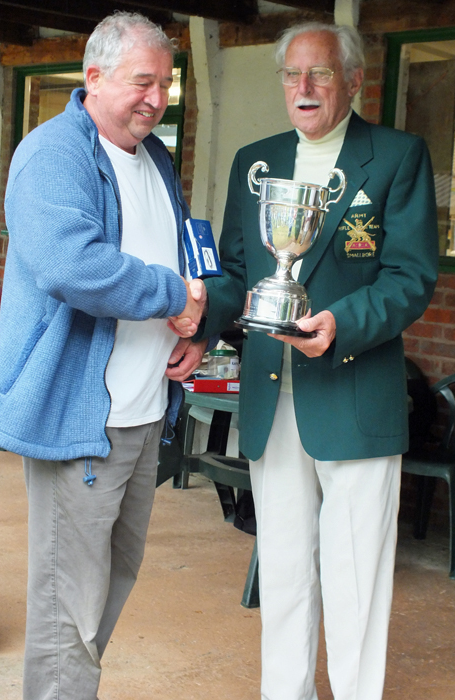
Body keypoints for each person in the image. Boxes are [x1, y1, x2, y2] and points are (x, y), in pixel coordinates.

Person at [171, 21, 439, 700]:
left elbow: (409, 277)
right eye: (292, 74)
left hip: (353, 396)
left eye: (320, 73)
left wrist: (337, 324)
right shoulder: (255, 161)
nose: (304, 87)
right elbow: (236, 271)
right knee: (286, 572)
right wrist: (206, 323)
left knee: (354, 578)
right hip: (271, 397)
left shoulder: (397, 156)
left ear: (352, 80)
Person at [0, 12, 208, 700]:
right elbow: (70, 265)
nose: (156, 97)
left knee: (108, 585)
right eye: (143, 81)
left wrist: (194, 329)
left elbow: (182, 257)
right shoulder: (54, 153)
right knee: (67, 610)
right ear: (93, 76)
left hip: (141, 413)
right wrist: (172, 292)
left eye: (166, 85)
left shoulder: (155, 159)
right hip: (81, 419)